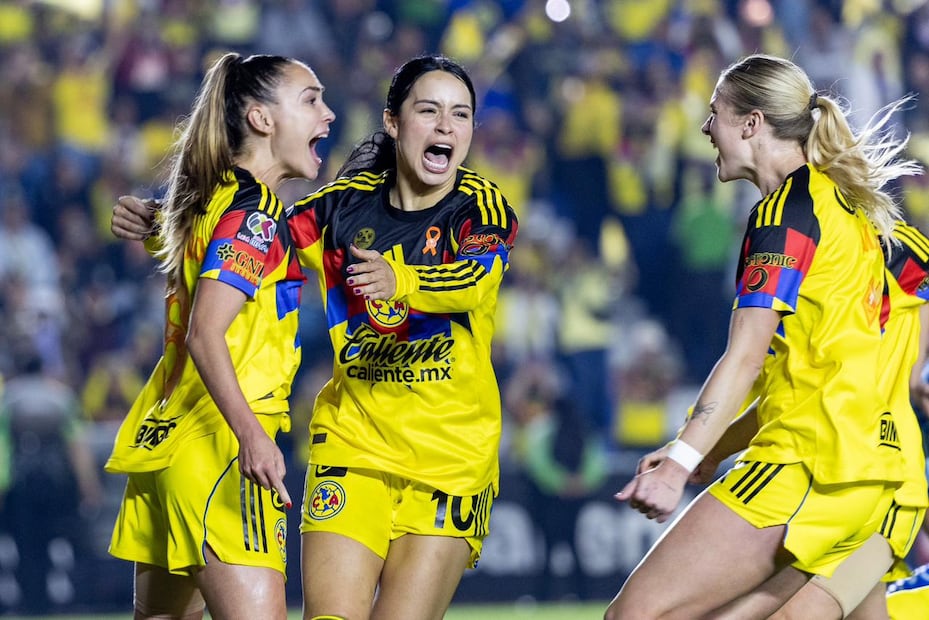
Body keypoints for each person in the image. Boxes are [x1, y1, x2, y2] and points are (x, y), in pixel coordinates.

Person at [112, 54, 518, 620]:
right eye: (429, 111)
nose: (447, 127)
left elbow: (476, 278)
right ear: (394, 123)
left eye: (462, 115)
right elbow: (255, 235)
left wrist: (399, 278)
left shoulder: (480, 205)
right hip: (349, 448)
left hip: (452, 462)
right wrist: (166, 218)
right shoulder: (340, 207)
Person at [604, 53, 918, 619]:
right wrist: (711, 450)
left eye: (713, 114)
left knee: (635, 616)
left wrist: (680, 461)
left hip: (809, 468)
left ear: (750, 123)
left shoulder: (785, 214)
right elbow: (804, 380)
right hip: (875, 480)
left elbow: (745, 357)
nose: (704, 129)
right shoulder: (852, 211)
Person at [104, 51, 335, 620]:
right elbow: (207, 333)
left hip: (169, 447)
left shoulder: (211, 198)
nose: (326, 115)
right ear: (261, 119)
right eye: (310, 100)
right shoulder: (254, 210)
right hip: (223, 453)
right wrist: (254, 437)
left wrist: (151, 216)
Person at [678, 219, 929, 619]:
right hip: (852, 472)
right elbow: (787, 397)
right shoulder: (878, 252)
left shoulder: (873, 248)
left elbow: (913, 379)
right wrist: (706, 451)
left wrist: (700, 453)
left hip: (871, 473)